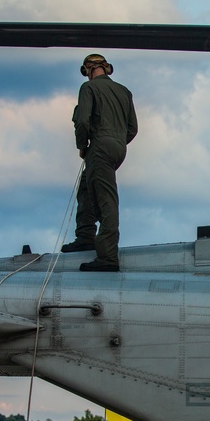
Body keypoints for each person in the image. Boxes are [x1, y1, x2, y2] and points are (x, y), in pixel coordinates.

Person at [61, 53, 138, 273]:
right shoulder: (124, 91)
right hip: (118, 147)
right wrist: (117, 141)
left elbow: (83, 121)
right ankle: (85, 236)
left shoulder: (89, 89)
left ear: (88, 69)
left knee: (106, 199)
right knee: (86, 186)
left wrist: (82, 146)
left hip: (99, 146)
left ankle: (107, 256)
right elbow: (133, 128)